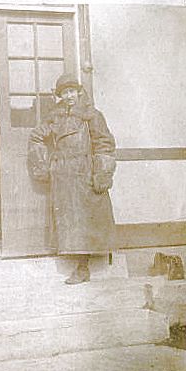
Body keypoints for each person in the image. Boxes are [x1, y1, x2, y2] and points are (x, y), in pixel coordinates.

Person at [28, 73, 116, 284]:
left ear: (78, 92)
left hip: (85, 173)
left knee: (86, 220)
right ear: (60, 96)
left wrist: (102, 172)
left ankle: (83, 267)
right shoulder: (55, 117)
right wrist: (44, 165)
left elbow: (104, 144)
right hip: (64, 177)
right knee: (71, 222)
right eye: (64, 93)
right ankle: (80, 266)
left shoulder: (91, 115)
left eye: (72, 91)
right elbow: (36, 137)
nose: (69, 96)